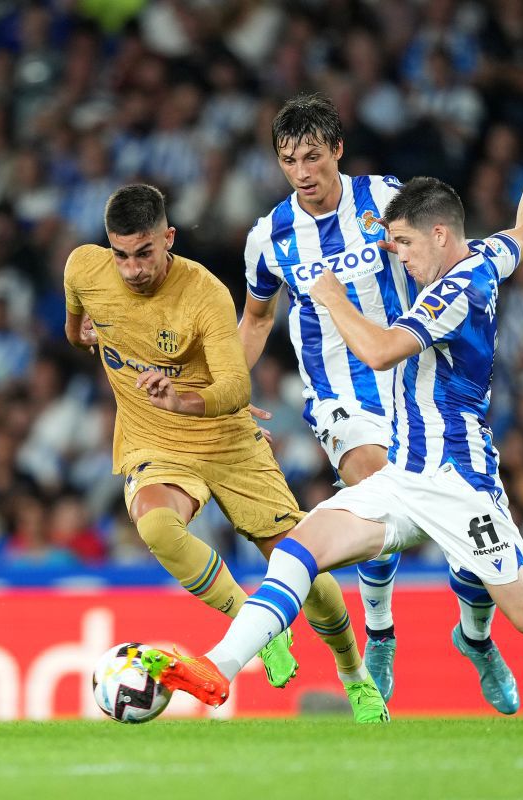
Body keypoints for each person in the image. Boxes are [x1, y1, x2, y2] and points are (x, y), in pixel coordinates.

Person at [143, 86, 523, 724]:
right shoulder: (479, 256)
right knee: (298, 550)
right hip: (400, 474)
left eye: (404, 246)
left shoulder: (448, 295)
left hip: (458, 482)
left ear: (437, 235)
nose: (398, 256)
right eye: (288, 160)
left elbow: (385, 351)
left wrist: (332, 297)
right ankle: (219, 670)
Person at [64, 184, 387, 722]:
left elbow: (236, 387)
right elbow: (77, 331)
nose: (132, 269)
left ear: (168, 238)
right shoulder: (83, 268)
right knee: (155, 526)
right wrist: (87, 338)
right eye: (121, 255)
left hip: (226, 438)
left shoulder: (203, 293)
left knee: (302, 563)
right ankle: (254, 628)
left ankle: (354, 673)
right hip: (154, 439)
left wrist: (182, 398)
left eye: (144, 253)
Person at [238, 92, 516, 711]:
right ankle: (381, 633)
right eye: (289, 160)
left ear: (338, 150)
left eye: (313, 156)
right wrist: (230, 390)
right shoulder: (270, 238)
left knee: (465, 525)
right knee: (372, 482)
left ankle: (477, 637)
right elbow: (256, 319)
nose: (303, 172)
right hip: (340, 393)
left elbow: (442, 255)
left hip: (419, 383)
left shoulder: (387, 200)